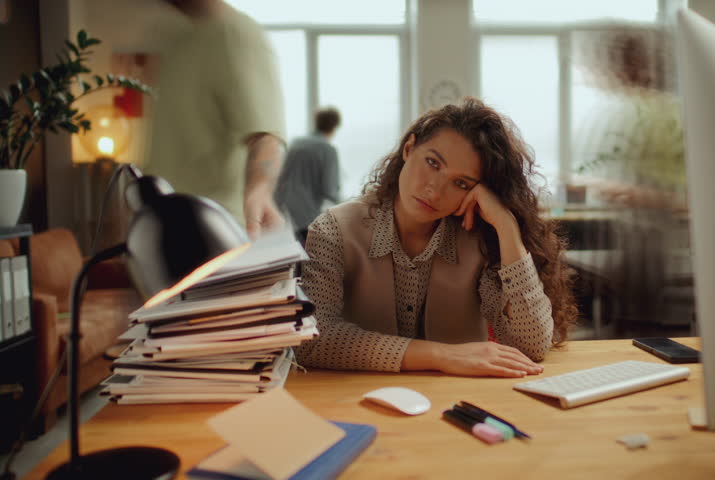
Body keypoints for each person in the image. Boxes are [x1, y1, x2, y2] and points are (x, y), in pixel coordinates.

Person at [294, 98, 578, 378]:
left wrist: (507, 227)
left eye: (461, 183)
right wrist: (441, 356)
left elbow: (533, 345)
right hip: (354, 401)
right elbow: (312, 339)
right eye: (432, 162)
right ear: (409, 148)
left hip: (457, 404)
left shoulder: (479, 239)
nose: (435, 189)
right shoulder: (333, 230)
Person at [145, 0, 287, 238]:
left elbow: (266, 137)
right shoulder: (181, 41)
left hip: (215, 238)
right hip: (170, 233)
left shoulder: (236, 35)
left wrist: (260, 191)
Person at [275, 107, 342, 245]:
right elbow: (330, 190)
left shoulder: (296, 142)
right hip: (306, 216)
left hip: (283, 211)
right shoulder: (328, 149)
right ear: (335, 126)